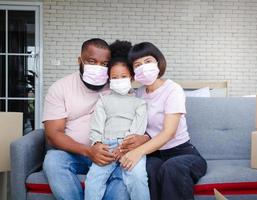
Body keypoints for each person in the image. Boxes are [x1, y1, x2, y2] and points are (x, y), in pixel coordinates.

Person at [42, 38, 149, 200]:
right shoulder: (61, 87)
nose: (98, 68)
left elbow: (145, 119)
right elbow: (53, 134)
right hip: (77, 154)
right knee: (52, 160)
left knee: (123, 186)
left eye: (104, 64)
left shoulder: (118, 81)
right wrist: (88, 151)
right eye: (92, 62)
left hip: (114, 155)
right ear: (80, 60)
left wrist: (143, 138)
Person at [119, 42, 207, 200]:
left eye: (147, 61)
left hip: (182, 152)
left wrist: (137, 151)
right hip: (154, 154)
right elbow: (140, 127)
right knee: (148, 170)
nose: (143, 67)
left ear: (158, 62)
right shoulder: (138, 94)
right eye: (137, 64)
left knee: (171, 168)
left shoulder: (172, 89)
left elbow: (169, 132)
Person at [84, 40, 150, 200]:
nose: (119, 79)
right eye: (114, 77)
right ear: (108, 79)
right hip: (106, 146)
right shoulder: (103, 100)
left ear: (132, 77)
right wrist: (97, 143)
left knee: (138, 178)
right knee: (93, 181)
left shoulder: (140, 102)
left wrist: (123, 147)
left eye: (123, 76)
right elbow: (97, 125)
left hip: (130, 148)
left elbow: (138, 128)